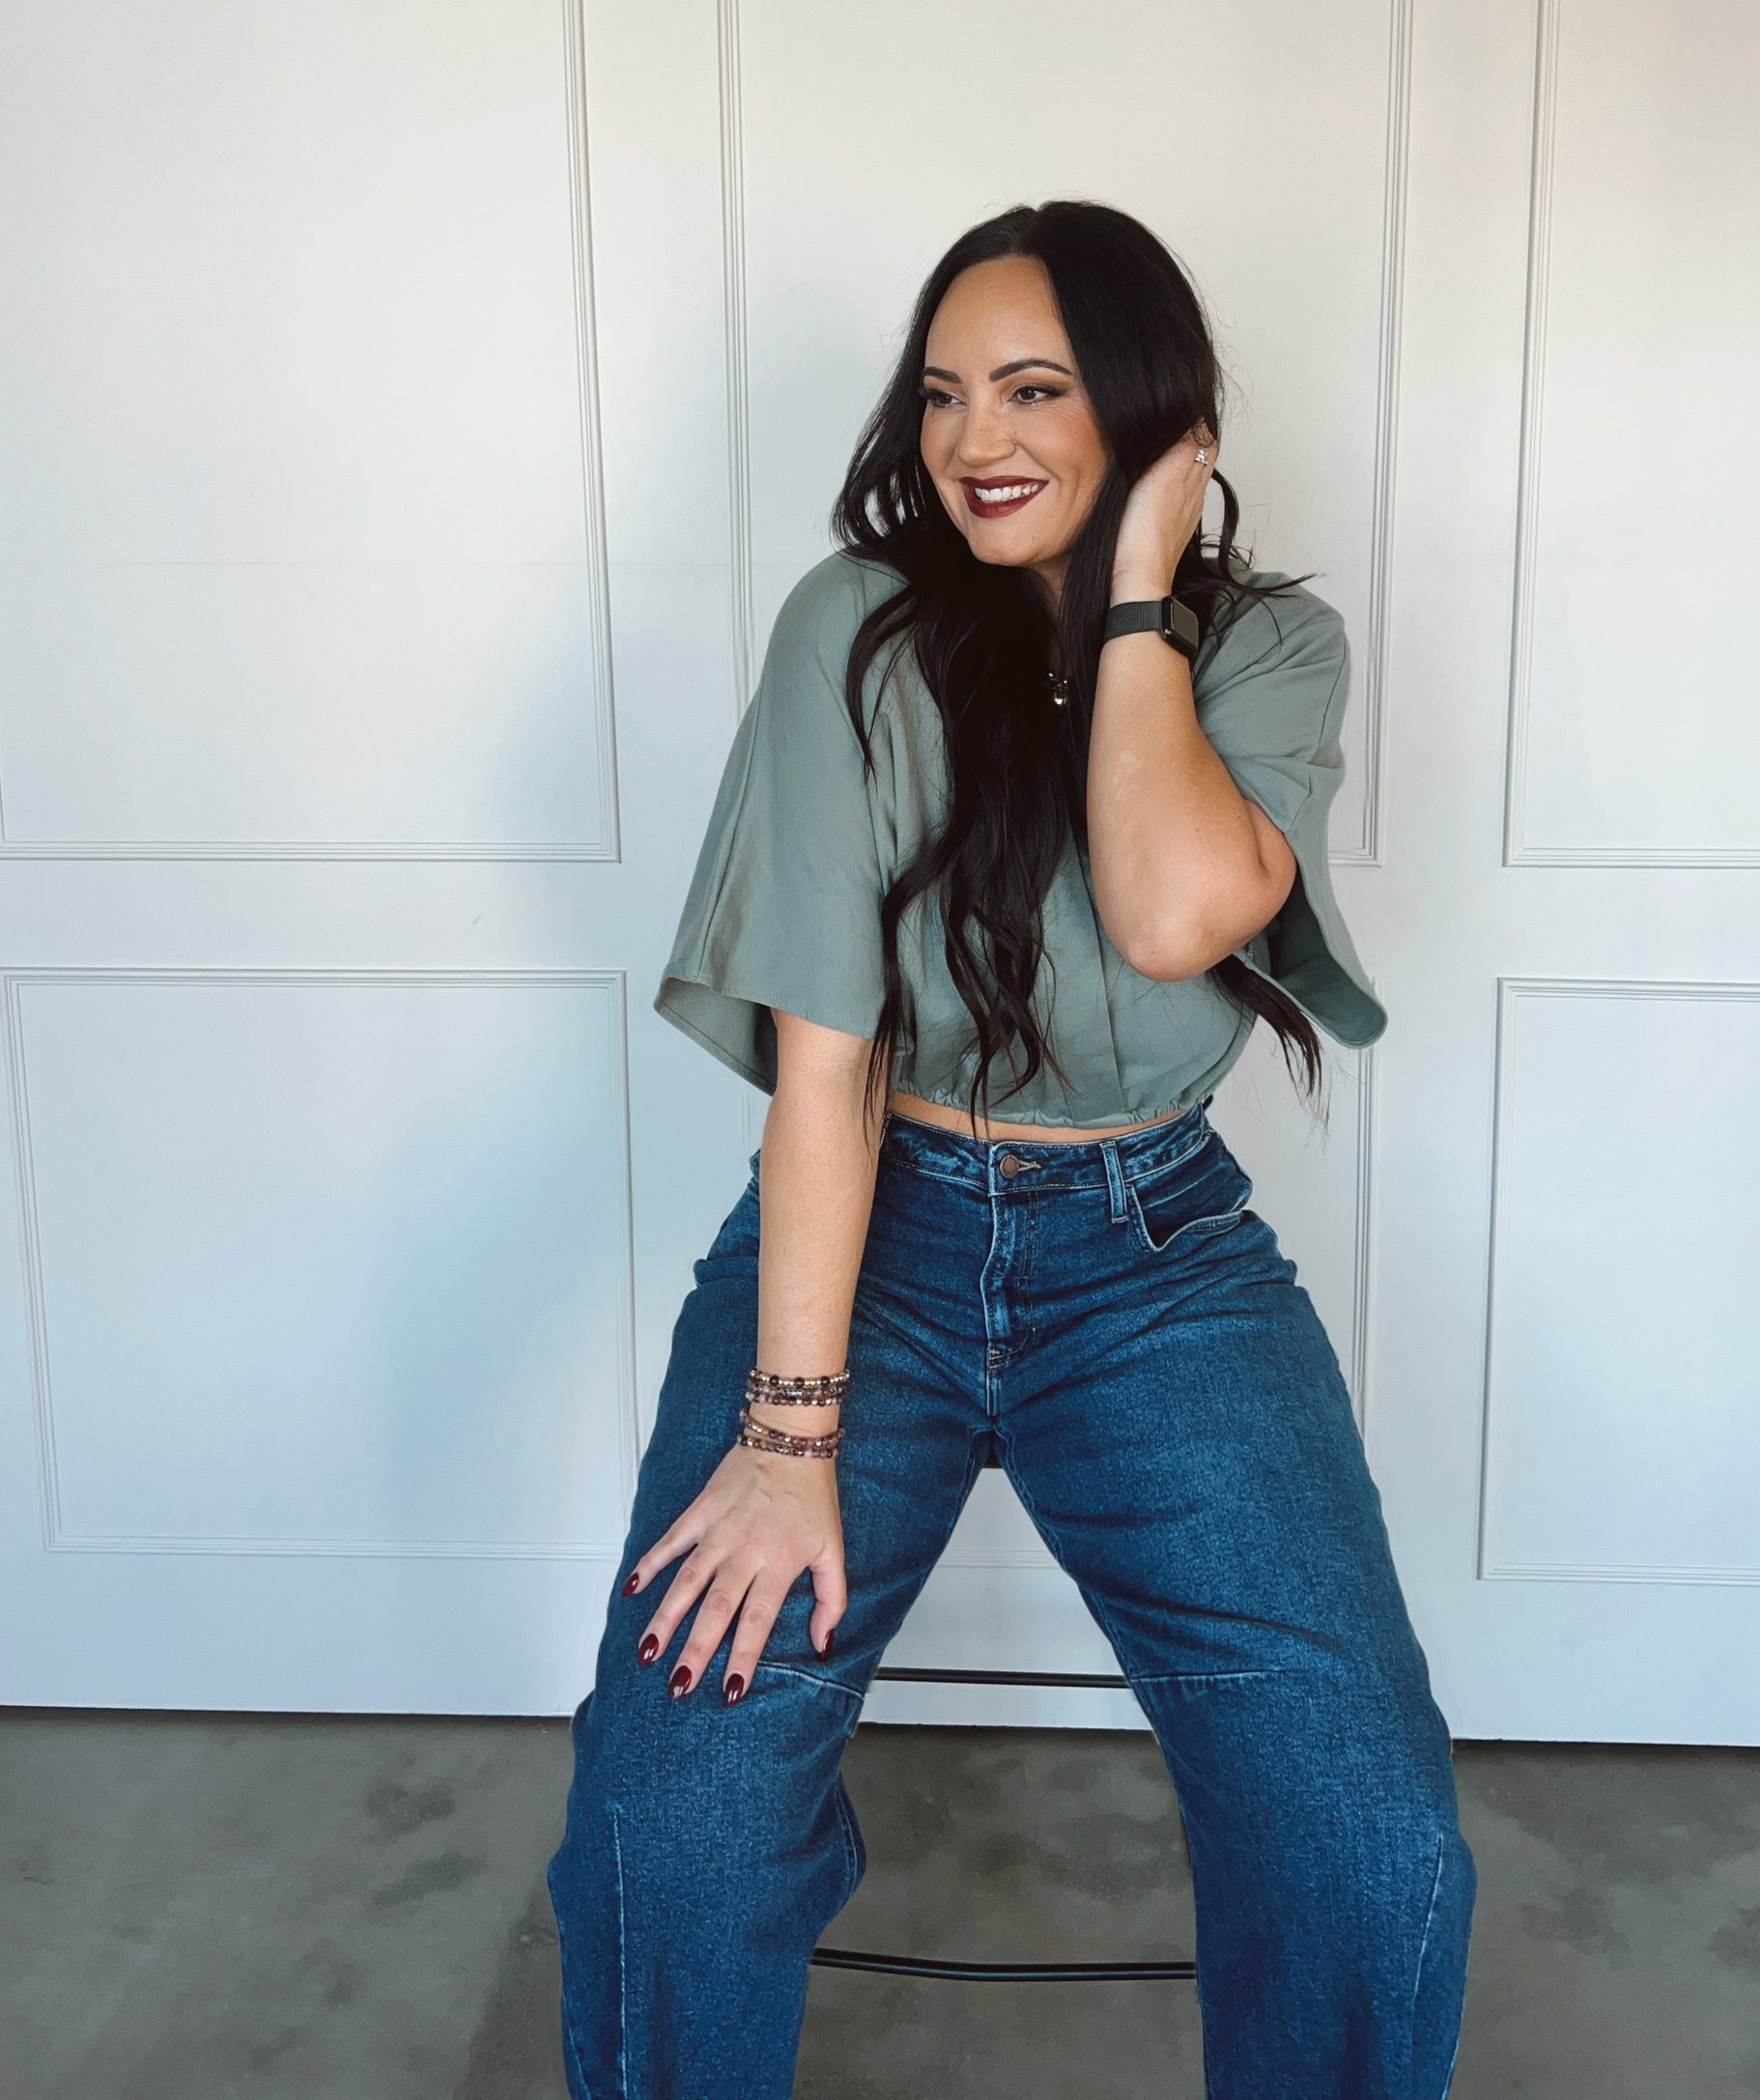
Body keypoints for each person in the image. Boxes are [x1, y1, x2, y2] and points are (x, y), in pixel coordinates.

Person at [547, 200, 1474, 2097]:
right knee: (675, 1810)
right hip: (862, 1232)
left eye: (1038, 391)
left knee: (1371, 1841)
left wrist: (1133, 602)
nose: (976, 438)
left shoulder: (1268, 649)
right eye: (947, 392)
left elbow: (1167, 914)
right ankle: (747, 1873)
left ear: (1151, 418)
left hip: (1156, 1260)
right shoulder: (858, 632)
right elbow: (823, 1066)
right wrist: (787, 1442)